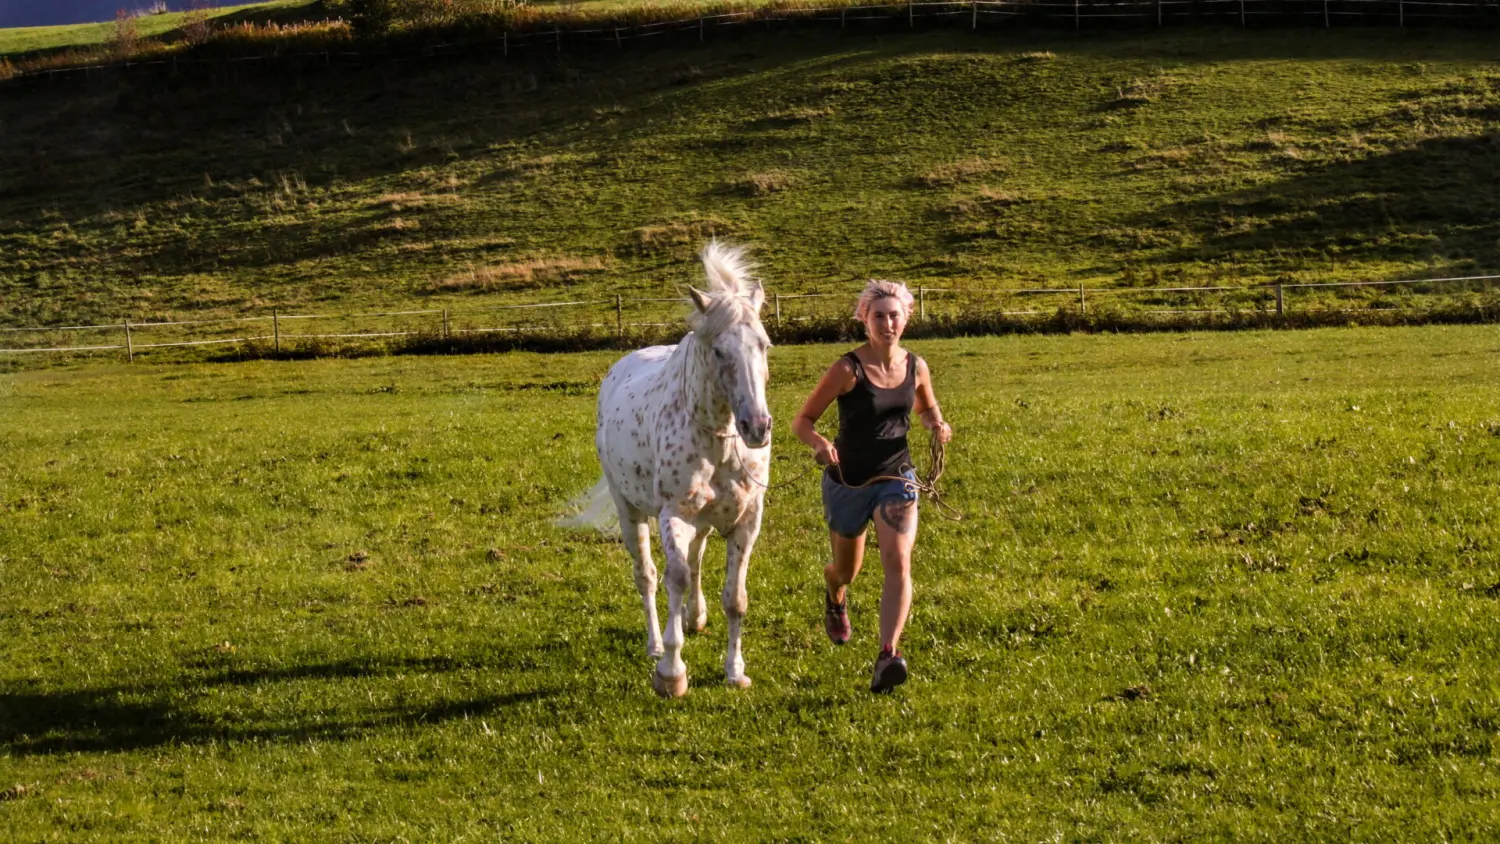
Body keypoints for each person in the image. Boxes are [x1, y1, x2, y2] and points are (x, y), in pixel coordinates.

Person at [790, 280, 952, 693]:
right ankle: (834, 593)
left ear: (906, 318)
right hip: (848, 480)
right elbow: (802, 421)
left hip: (897, 477)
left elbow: (926, 405)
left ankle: (887, 654)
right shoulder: (847, 369)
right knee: (848, 570)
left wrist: (936, 423)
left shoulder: (916, 366)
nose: (887, 322)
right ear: (865, 319)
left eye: (894, 314)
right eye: (878, 315)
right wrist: (821, 443)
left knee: (898, 561)